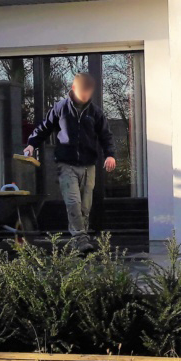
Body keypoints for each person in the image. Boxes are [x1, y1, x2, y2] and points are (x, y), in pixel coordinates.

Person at [23, 72, 116, 249]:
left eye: (88, 93)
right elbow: (45, 127)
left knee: (85, 207)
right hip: (66, 164)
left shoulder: (95, 112)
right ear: (73, 89)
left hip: (89, 166)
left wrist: (110, 154)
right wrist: (31, 144)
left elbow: (106, 135)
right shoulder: (60, 108)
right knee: (73, 203)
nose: (85, 96)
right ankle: (80, 239)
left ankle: (81, 239)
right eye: (82, 92)